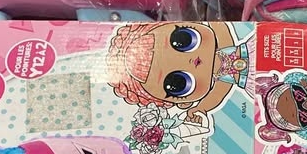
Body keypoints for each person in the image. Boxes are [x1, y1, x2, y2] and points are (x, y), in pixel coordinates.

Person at [107, 21, 255, 127]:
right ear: (184, 103)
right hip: (253, 83)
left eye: (184, 39)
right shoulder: (222, 81)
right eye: (178, 83)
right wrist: (200, 109)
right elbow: (219, 92)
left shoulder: (224, 43)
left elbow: (220, 27)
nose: (194, 61)